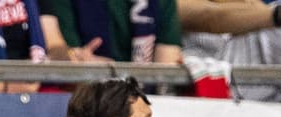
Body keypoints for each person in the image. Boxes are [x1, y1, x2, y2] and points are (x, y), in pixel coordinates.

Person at [39, 0, 183, 64]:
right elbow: (57, 49)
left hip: (144, 99)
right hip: (86, 99)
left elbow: (166, 61)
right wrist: (74, 58)